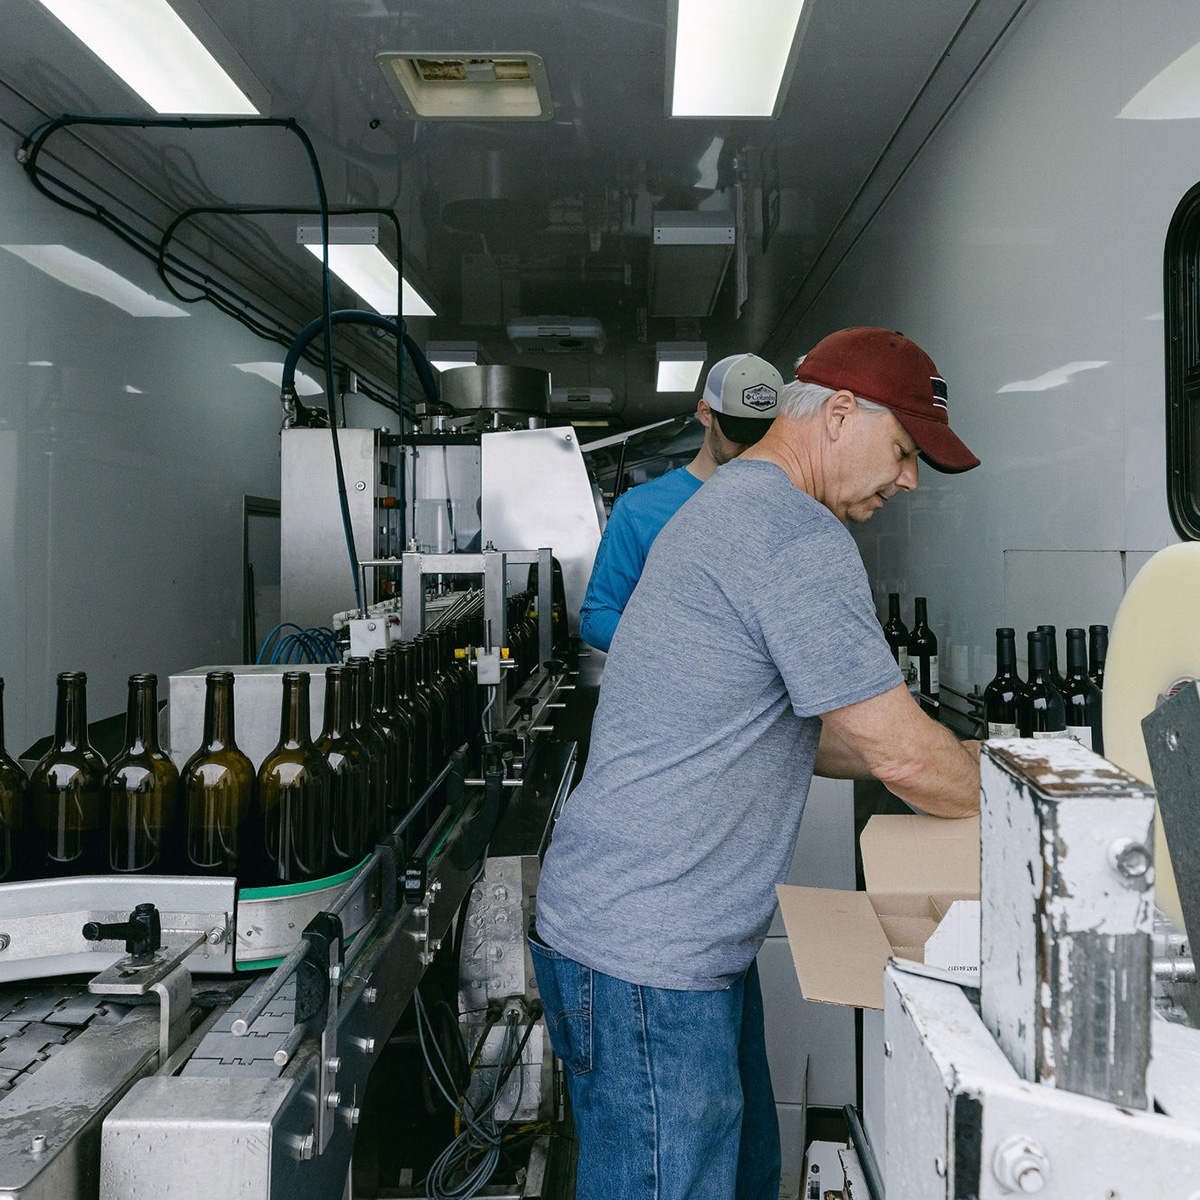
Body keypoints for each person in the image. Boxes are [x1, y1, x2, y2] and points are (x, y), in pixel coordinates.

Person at [531, 327, 982, 1200]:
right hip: (650, 966)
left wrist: (955, 755)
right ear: (841, 415)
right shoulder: (792, 534)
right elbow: (894, 748)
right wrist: (1010, 795)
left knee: (740, 1179)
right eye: (903, 451)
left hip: (657, 946)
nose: (909, 480)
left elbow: (803, 732)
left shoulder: (735, 499)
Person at [579, 353, 784, 651]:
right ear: (705, 413)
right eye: (739, 432)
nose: (750, 447)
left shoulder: (786, 506)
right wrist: (678, 652)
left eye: (762, 435)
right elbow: (596, 617)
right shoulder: (640, 509)